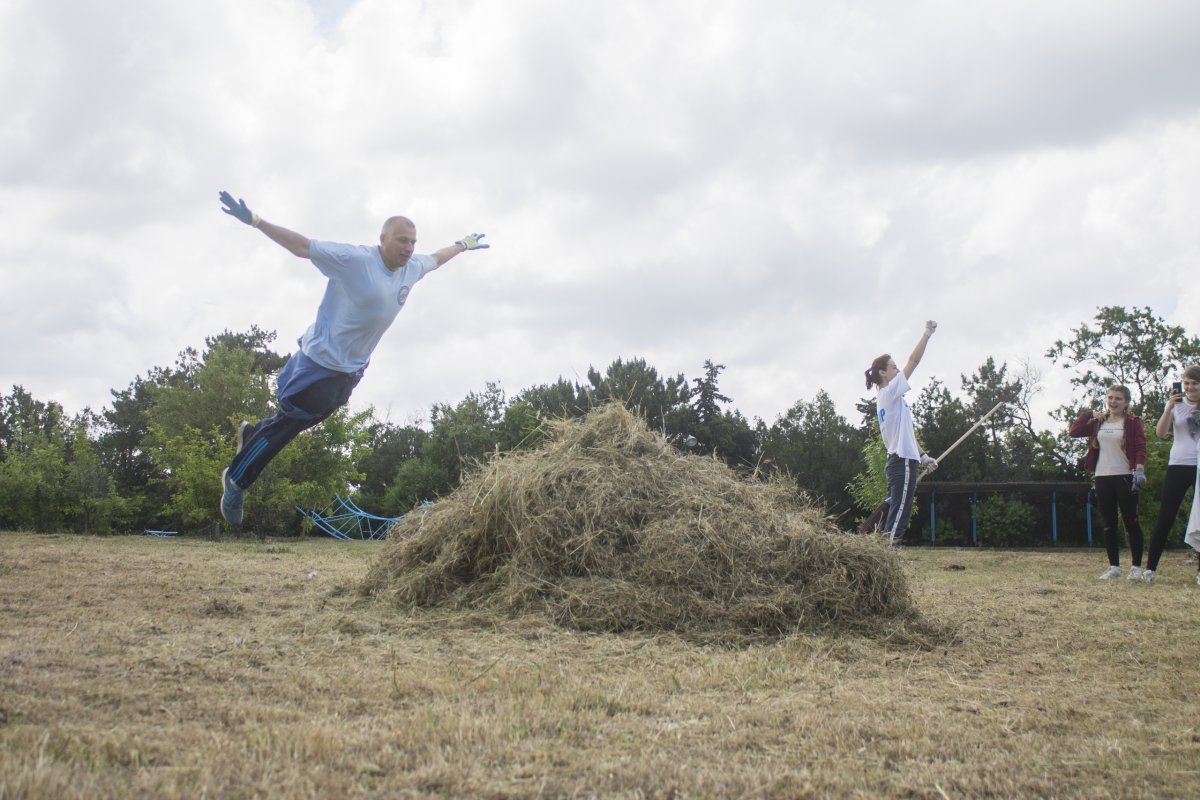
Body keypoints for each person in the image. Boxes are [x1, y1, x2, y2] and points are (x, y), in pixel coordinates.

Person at [216, 191, 490, 526]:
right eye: (402, 240)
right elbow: (303, 246)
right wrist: (257, 221)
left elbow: (437, 257)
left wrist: (462, 244)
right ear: (383, 239)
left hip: (350, 371)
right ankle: (237, 478)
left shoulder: (413, 267)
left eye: (413, 242)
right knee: (289, 426)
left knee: (307, 417)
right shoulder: (354, 260)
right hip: (318, 364)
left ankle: (255, 432)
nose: (408, 248)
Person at [864, 321, 940, 546]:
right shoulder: (888, 392)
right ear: (883, 373)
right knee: (900, 512)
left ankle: (880, 547)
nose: (898, 371)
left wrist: (924, 456)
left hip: (899, 461)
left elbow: (907, 434)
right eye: (893, 367)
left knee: (894, 507)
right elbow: (914, 361)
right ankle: (889, 553)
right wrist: (927, 333)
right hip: (902, 462)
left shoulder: (893, 400)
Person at [1068, 385, 1147, 580]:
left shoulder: (1132, 422)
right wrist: (1088, 414)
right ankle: (1114, 567)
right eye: (1110, 398)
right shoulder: (1098, 422)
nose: (1113, 402)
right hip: (1103, 476)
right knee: (1108, 523)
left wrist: (1139, 469)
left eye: (1118, 399)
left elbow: (1140, 446)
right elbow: (1074, 431)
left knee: (1131, 522)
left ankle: (1136, 567)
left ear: (1126, 402)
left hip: (1125, 476)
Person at [1141, 366, 1200, 583]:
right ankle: (1151, 569)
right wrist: (1168, 408)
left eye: (1195, 383)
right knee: (1166, 516)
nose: (1190, 387)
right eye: (1187, 383)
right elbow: (1161, 432)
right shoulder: (1177, 406)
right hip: (1179, 464)